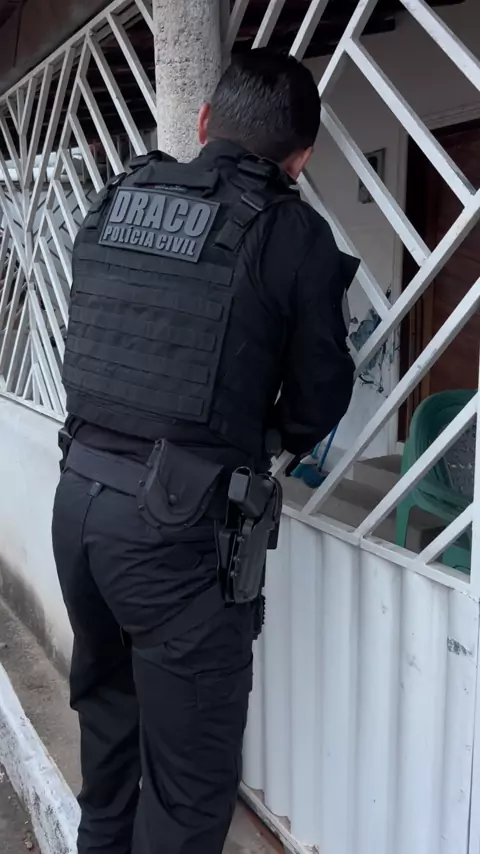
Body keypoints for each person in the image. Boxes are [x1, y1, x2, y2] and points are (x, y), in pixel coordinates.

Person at [52, 49, 356, 854]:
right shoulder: (291, 232)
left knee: (108, 733)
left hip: (77, 504)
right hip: (174, 536)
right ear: (302, 158)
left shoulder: (117, 197)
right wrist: (258, 430)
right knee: (188, 795)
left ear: (203, 122)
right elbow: (320, 398)